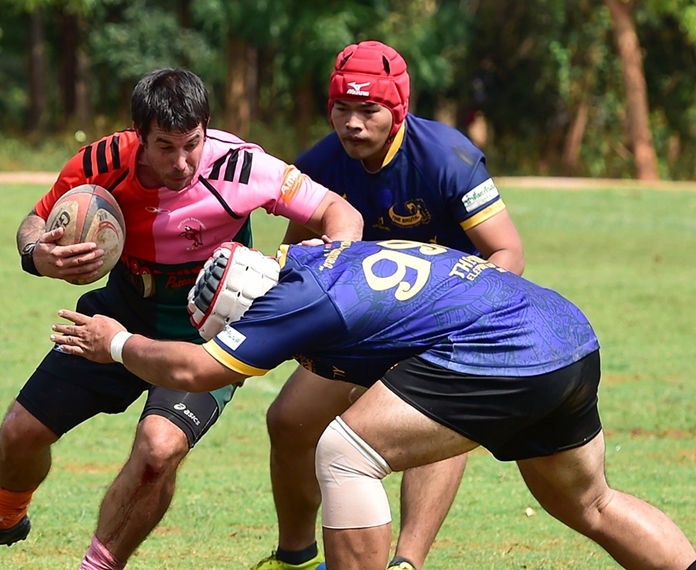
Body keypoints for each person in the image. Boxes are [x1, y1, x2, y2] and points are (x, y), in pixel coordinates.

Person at [51, 239, 696, 570]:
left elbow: (195, 369)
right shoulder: (311, 262)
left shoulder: (290, 303)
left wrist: (119, 342)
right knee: (590, 502)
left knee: (346, 450)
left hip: (508, 348)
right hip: (565, 332)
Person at [0, 67, 362, 570]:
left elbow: (340, 213)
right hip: (120, 312)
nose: (181, 161)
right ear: (138, 136)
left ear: (206, 127)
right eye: (164, 147)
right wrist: (37, 253)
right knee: (17, 435)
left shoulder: (241, 165)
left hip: (205, 337)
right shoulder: (103, 160)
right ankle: (7, 514)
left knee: (158, 448)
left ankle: (99, 565)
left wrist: (307, 269)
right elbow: (34, 220)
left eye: (191, 143)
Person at [259, 40, 525, 570]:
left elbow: (507, 250)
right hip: (363, 325)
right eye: (342, 108)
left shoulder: (446, 158)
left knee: (437, 424)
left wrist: (463, 318)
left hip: (442, 327)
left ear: (397, 108)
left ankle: (407, 563)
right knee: (288, 421)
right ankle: (295, 557)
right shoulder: (319, 163)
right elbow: (301, 257)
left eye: (368, 109)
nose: (352, 123)